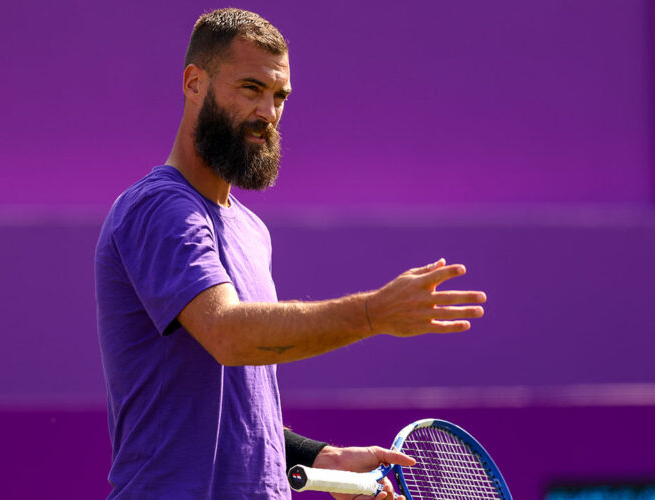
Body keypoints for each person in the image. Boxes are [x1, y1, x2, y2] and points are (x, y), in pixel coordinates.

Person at [95, 8, 487, 500]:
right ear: (194, 83)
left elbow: (232, 418)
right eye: (251, 89)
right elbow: (228, 335)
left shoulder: (252, 230)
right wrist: (373, 312)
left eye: (279, 96)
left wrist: (324, 458)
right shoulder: (158, 209)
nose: (269, 113)